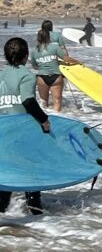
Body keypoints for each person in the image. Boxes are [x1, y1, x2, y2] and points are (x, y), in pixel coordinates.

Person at [0, 37, 50, 215]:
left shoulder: (1, 74)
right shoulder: (27, 75)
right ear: (26, 56)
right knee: (31, 174)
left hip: (3, 132)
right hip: (22, 132)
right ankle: (35, 215)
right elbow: (28, 101)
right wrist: (44, 120)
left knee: (5, 175)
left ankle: (4, 219)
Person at [30, 26, 80, 112]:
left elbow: (34, 66)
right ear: (48, 37)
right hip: (56, 76)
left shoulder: (34, 50)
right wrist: (78, 62)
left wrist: (43, 64)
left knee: (43, 103)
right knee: (57, 101)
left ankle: (44, 118)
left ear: (38, 38)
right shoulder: (55, 47)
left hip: (42, 78)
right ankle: (57, 117)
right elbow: (66, 59)